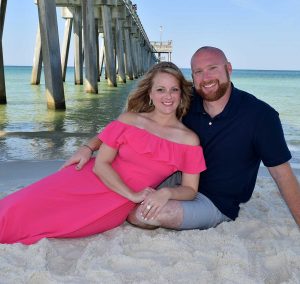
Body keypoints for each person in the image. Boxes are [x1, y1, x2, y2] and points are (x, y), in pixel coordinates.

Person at [64, 46, 300, 230]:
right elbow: (132, 122)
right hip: (172, 181)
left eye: (212, 68)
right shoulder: (186, 101)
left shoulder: (261, 116)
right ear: (192, 76)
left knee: (141, 215)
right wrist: (89, 146)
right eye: (198, 71)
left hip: (215, 200)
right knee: (97, 182)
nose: (206, 77)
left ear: (229, 68)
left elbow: (282, 175)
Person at [0, 62, 207, 245]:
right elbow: (101, 164)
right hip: (88, 178)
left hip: (113, 204)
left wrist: (167, 193)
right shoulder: (130, 120)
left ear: (181, 94)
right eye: (160, 89)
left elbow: (189, 189)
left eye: (174, 90)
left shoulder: (188, 140)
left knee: (54, 226)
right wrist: (132, 195)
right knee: (18, 206)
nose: (167, 96)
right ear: (150, 94)